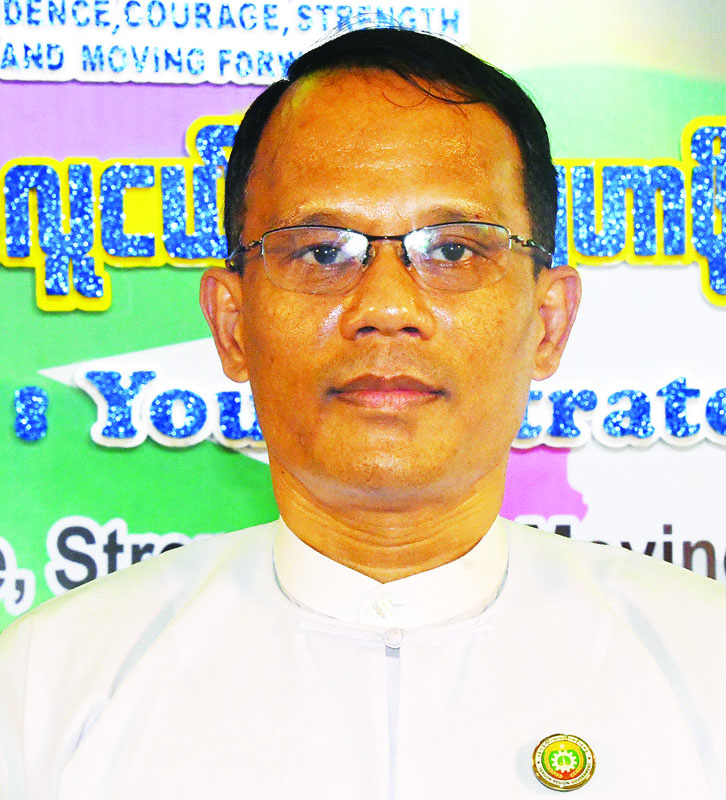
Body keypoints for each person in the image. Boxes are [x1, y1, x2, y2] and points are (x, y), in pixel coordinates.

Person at [1, 26, 725, 800]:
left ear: (547, 323)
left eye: (453, 250)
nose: (385, 306)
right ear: (233, 325)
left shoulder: (701, 666)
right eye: (321, 252)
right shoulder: (52, 686)